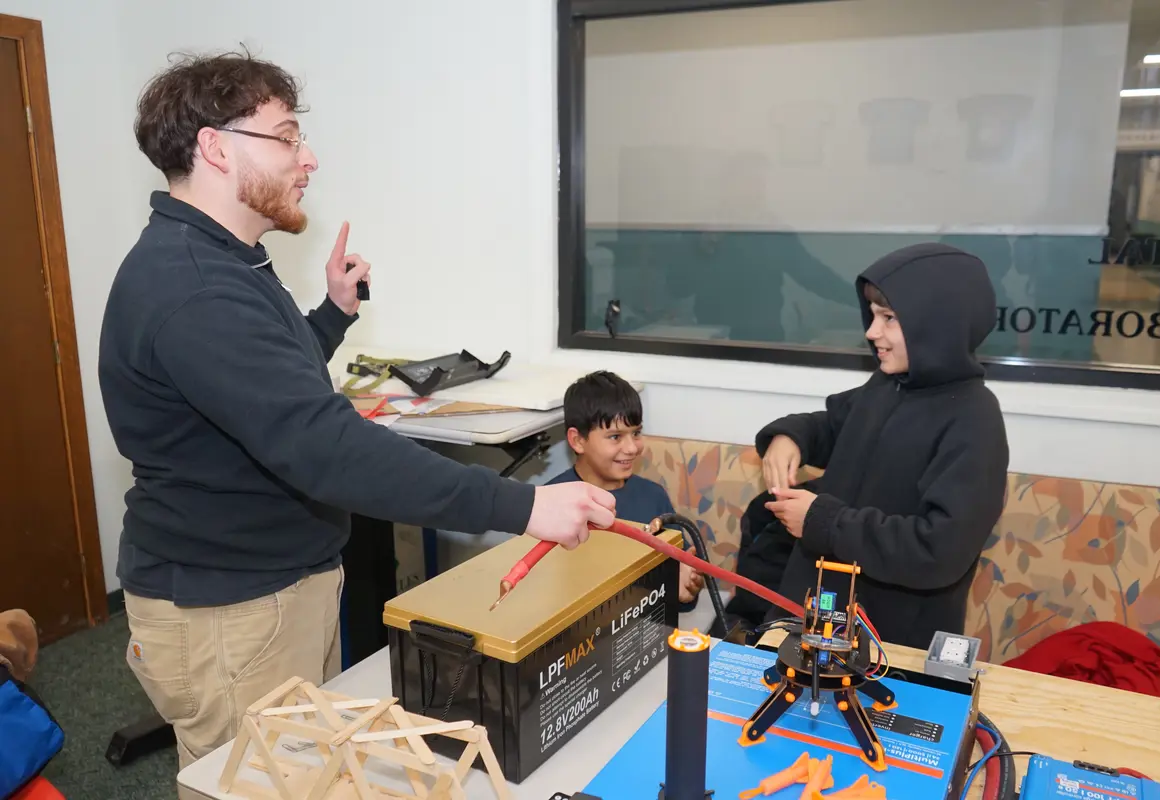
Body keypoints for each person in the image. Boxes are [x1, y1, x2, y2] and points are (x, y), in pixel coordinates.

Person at [96, 50, 615, 782]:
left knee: (314, 775)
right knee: (258, 784)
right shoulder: (194, 288)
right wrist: (522, 504)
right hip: (230, 611)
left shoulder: (225, 260)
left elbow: (267, 389)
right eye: (286, 136)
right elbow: (325, 446)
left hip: (273, 588)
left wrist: (331, 316)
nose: (308, 158)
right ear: (215, 147)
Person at [742, 242, 1009, 650]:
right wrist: (788, 436)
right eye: (872, 315)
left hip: (891, 641)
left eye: (889, 318)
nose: (871, 331)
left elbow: (938, 549)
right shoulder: (887, 385)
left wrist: (824, 522)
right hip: (817, 615)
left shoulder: (975, 420)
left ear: (936, 325)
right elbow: (832, 425)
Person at [544, 371, 706, 610]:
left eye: (636, 433)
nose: (632, 448)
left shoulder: (654, 497)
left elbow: (680, 598)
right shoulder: (549, 503)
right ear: (578, 441)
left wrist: (685, 587)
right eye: (615, 436)